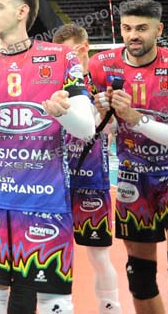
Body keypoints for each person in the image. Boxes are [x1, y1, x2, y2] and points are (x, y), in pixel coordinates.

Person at [0, 0, 94, 314]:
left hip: (45, 196)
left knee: (53, 296)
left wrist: (63, 113)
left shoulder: (61, 57)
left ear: (22, 11)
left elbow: (86, 128)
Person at [87, 0, 168, 314]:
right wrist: (102, 113)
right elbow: (101, 130)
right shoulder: (101, 65)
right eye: (127, 28)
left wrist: (135, 118)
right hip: (132, 176)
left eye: (142, 28)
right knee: (140, 279)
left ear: (159, 30)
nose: (133, 36)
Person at [53, 24, 121, 313]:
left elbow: (113, 128)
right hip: (54, 182)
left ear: (84, 48)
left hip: (91, 181)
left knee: (99, 257)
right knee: (53, 255)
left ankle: (111, 307)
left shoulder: (101, 83)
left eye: (70, 51)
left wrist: (106, 113)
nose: (66, 57)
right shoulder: (52, 81)